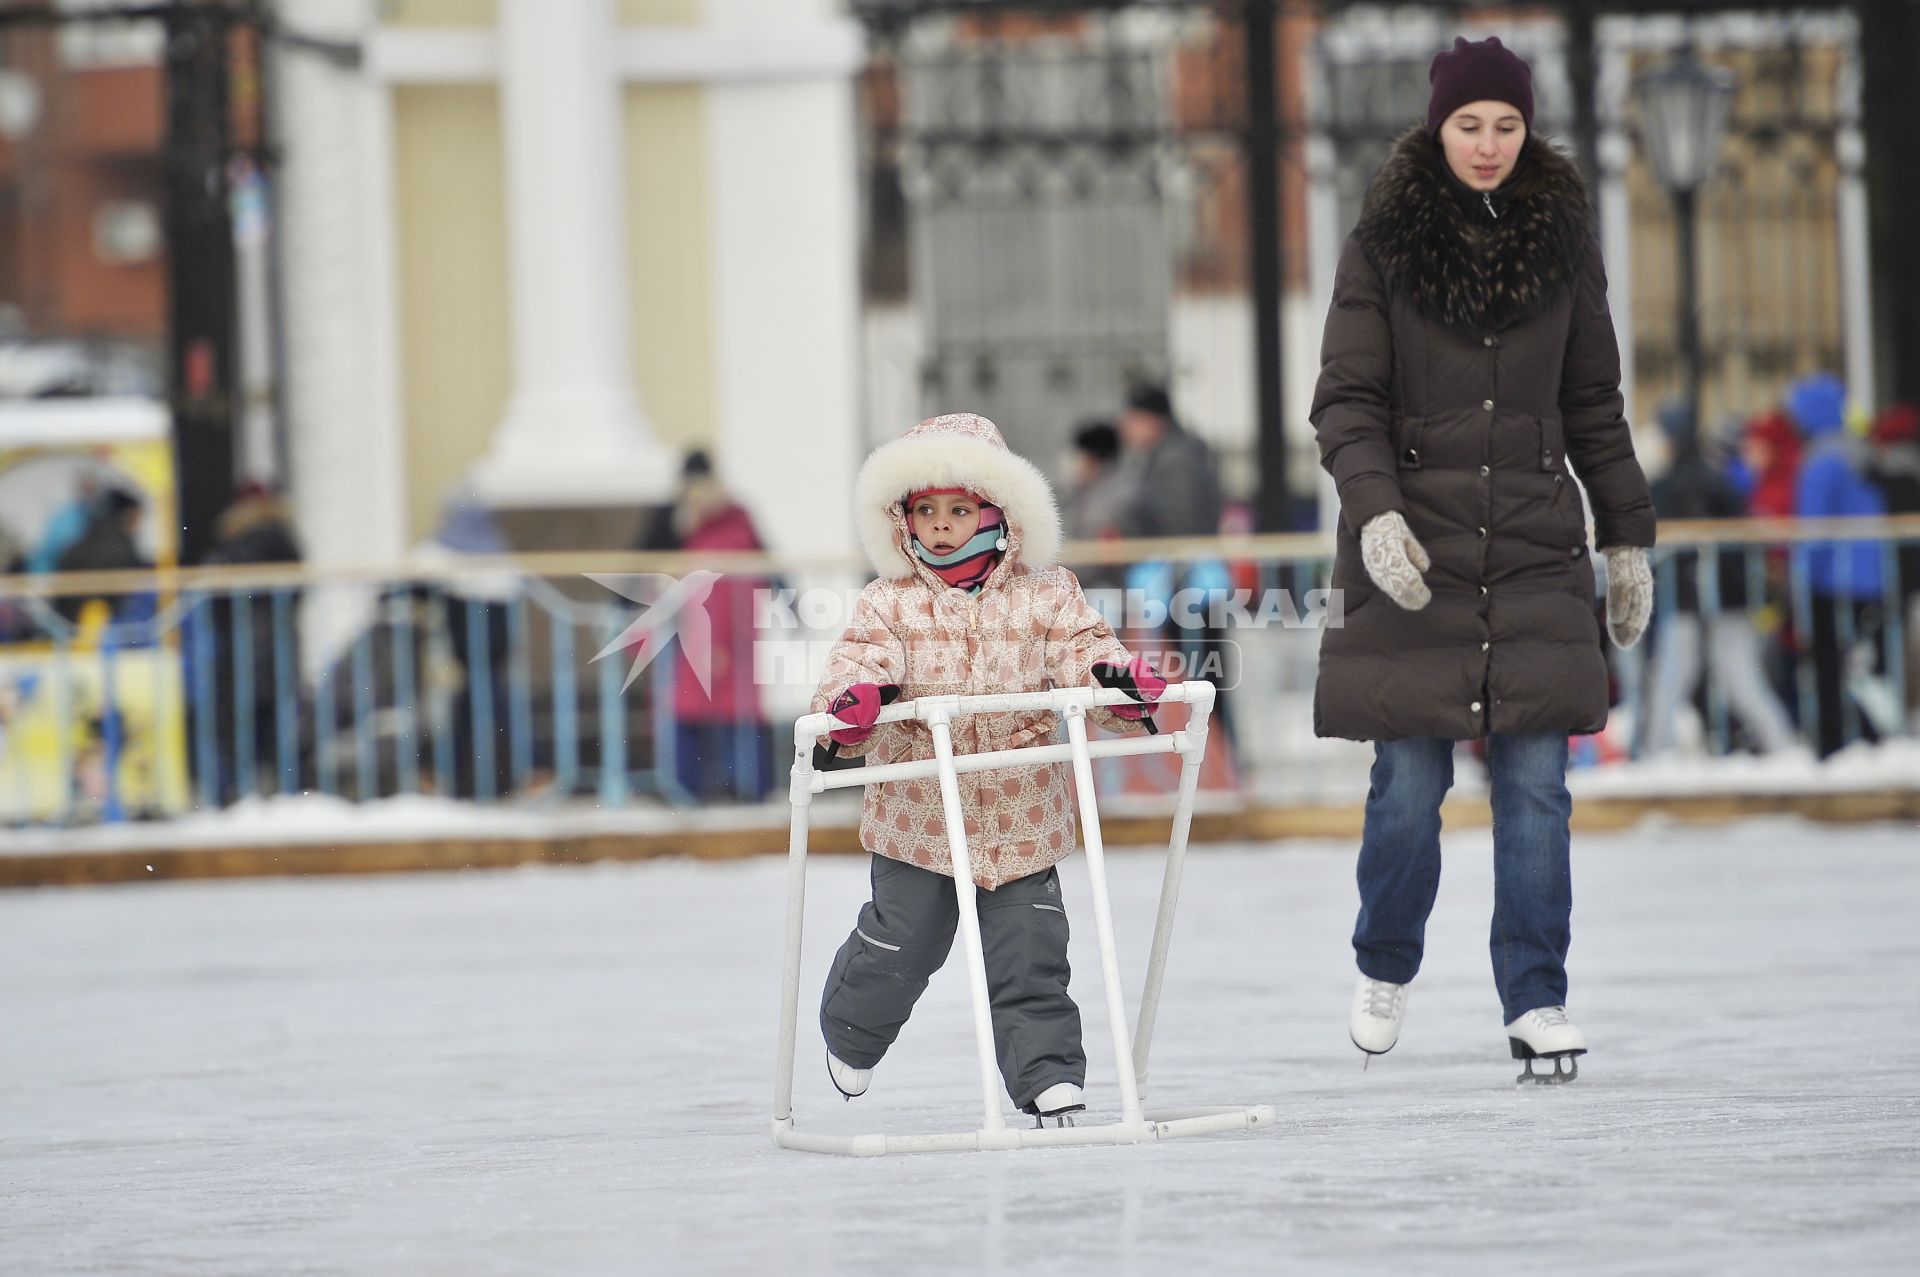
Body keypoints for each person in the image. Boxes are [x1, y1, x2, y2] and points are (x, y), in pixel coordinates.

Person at [1309, 36, 1655, 1081]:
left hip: (1538, 554)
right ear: (1438, 126)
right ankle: (1384, 958)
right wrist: (1374, 514)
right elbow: (1347, 402)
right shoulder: (1383, 244)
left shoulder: (1563, 239)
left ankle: (1537, 995)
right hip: (1417, 553)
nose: (1490, 143)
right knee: (1408, 788)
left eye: (1507, 123)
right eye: (1471, 124)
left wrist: (1628, 531)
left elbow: (1592, 402)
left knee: (1538, 786)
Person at [810, 412, 1165, 1122]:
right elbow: (859, 663)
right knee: (900, 945)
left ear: (998, 511)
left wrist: (1116, 683)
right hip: (921, 817)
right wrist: (855, 704)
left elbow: (1081, 649)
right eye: (927, 511)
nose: (942, 526)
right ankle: (853, 1029)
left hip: (1020, 813)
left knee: (1032, 950)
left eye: (960, 509)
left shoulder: (1045, 592)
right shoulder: (891, 602)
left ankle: (1048, 1075)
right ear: (903, 519)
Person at [1643, 398, 1798, 756]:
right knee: (1735, 676)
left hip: (1693, 595)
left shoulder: (1672, 485)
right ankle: (1783, 746)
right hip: (1723, 595)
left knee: (1677, 676)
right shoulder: (1714, 480)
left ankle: (1652, 755)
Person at [649, 451, 774, 802]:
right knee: (702, 710)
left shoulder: (731, 521)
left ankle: (729, 787)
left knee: (725, 711)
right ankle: (709, 787)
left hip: (725, 631)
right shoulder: (677, 521)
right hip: (694, 630)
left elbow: (766, 564)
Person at [1787, 373, 1888, 758]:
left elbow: (1812, 527)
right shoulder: (1855, 450)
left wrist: (1801, 582)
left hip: (1833, 579)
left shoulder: (1821, 459)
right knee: (1859, 666)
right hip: (1869, 575)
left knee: (1829, 666)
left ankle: (1839, 742)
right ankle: (1869, 738)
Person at [1060, 418, 1129, 594]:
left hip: (1104, 591)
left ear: (1092, 459)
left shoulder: (1110, 501)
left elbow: (1092, 558)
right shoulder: (1089, 492)